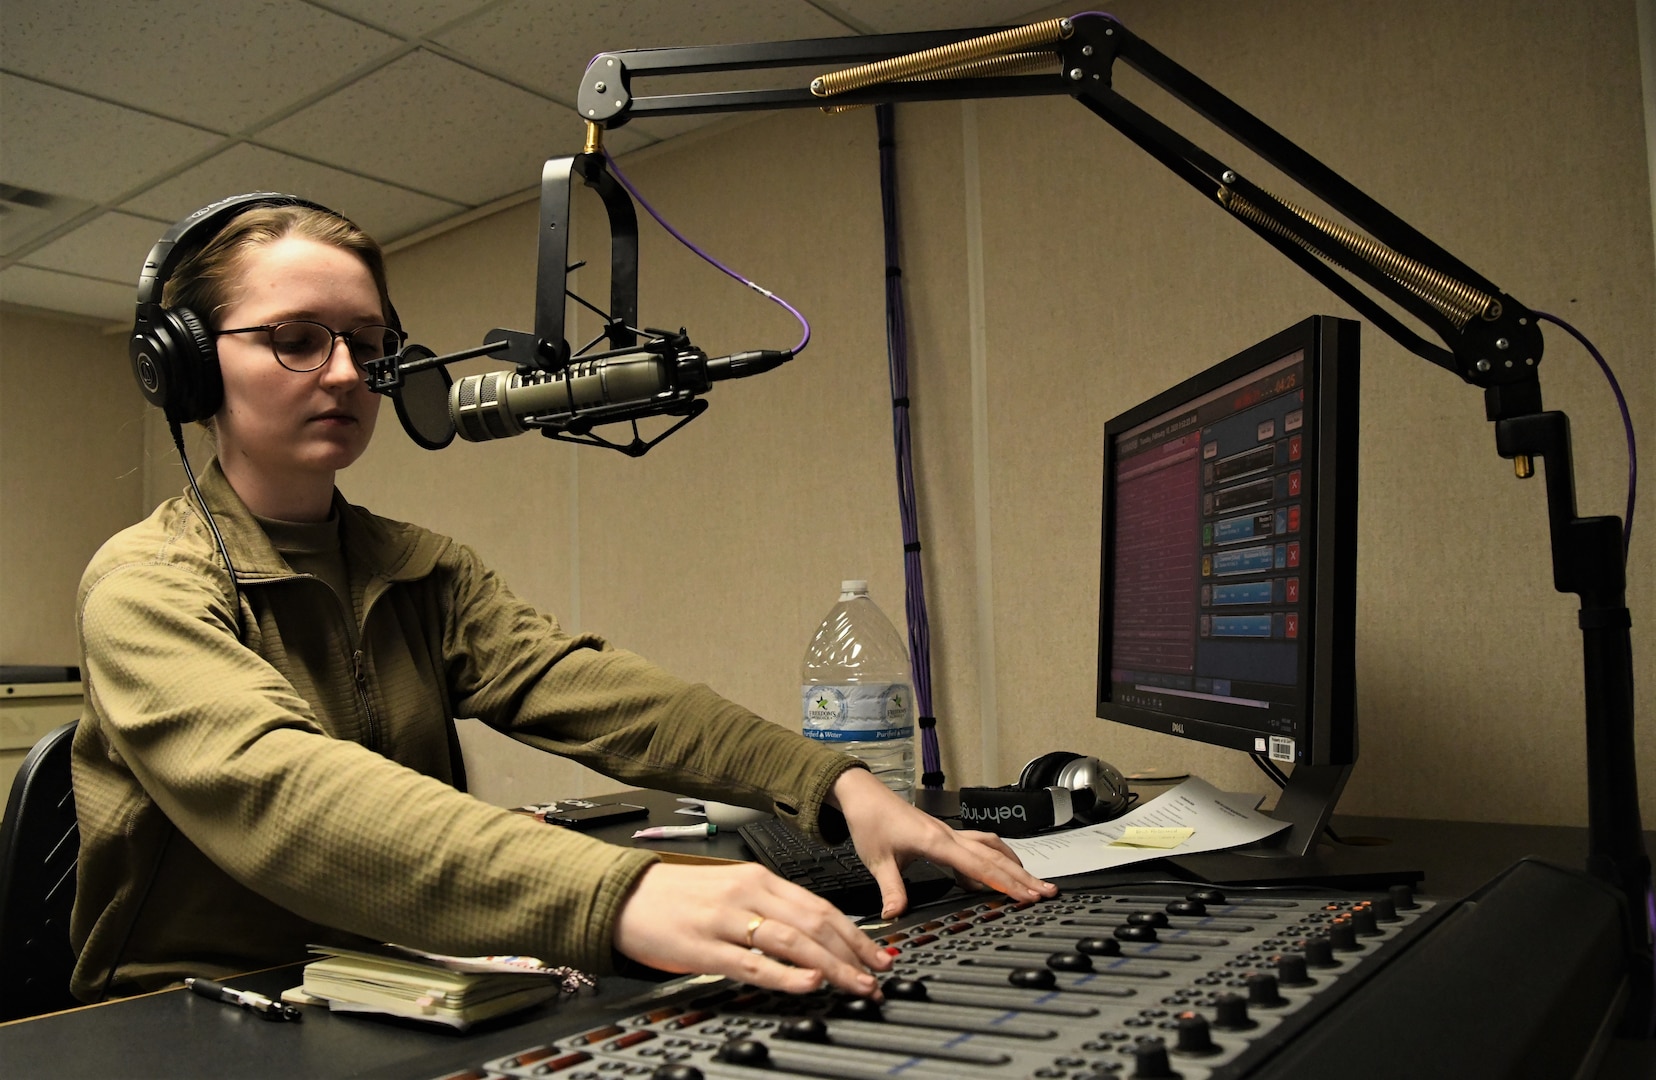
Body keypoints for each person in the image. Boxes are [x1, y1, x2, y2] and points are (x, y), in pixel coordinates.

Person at [71, 197, 1055, 1004]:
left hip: (389, 975)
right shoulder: (145, 586)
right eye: (296, 339)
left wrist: (833, 784)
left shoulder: (417, 566)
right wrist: (619, 892)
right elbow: (281, 791)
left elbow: (585, 687)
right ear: (191, 366)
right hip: (199, 1014)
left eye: (369, 343)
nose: (346, 373)